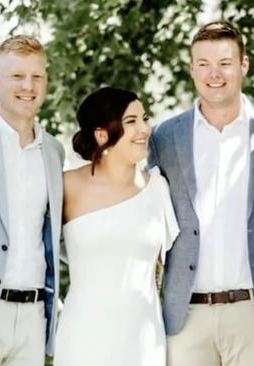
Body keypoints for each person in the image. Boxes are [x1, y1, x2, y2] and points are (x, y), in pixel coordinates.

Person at [147, 20, 254, 366]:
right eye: (203, 64)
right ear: (191, 69)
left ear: (244, 65)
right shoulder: (165, 137)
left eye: (224, 63)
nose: (213, 74)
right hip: (186, 317)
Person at [0, 35, 65, 366]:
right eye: (17, 76)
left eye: (37, 77)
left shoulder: (53, 151)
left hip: (34, 316)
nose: (28, 86)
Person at [54, 87, 179, 366]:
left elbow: (169, 266)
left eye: (144, 119)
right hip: (83, 337)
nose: (144, 129)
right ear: (102, 134)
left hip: (143, 339)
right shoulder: (67, 186)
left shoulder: (157, 187)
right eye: (131, 121)